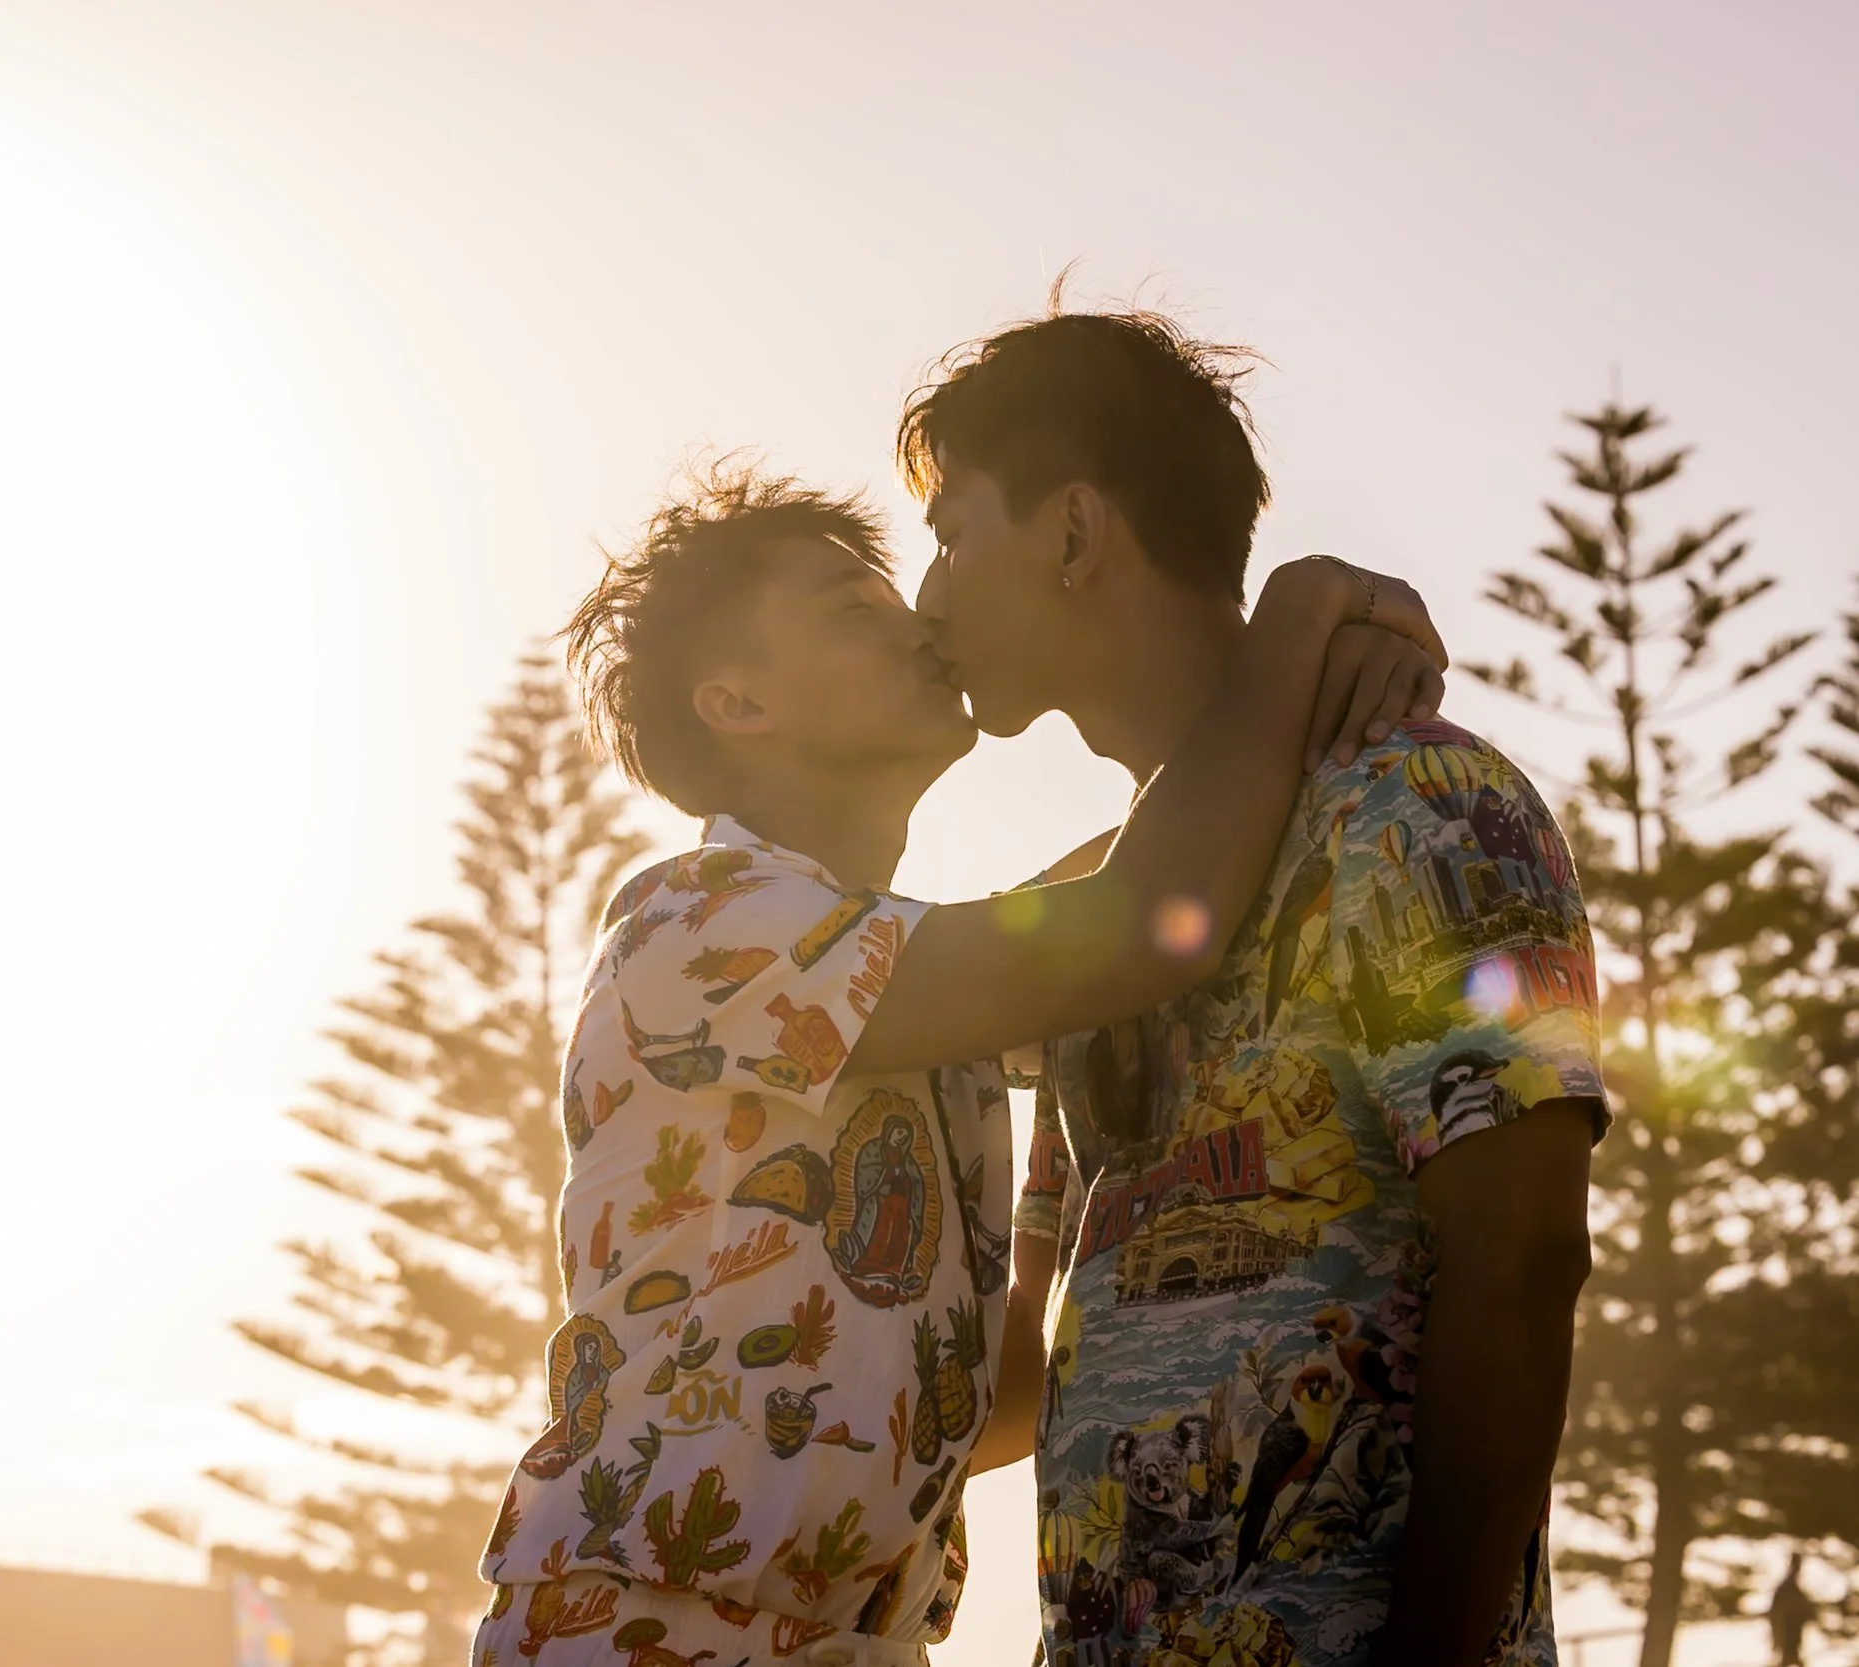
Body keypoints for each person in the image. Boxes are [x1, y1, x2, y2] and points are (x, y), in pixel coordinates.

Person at [472, 460, 1445, 1667]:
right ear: (735, 702)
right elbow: (1146, 914)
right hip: (643, 1622)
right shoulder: (697, 925)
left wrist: (1316, 720)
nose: (915, 621)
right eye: (850, 607)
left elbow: (1166, 850)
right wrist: (1300, 617)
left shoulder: (906, 983)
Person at [903, 301, 1606, 1667]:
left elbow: (1522, 1255)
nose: (927, 599)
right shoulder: (1097, 923)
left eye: (949, 535)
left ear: (1071, 530)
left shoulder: (1425, 803)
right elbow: (1035, 1359)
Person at [1770, 1552, 1817, 1667]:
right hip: (1788, 1637)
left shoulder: (1794, 1588)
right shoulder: (1787, 1588)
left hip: (1793, 1638)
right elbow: (1777, 1615)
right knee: (1790, 1659)